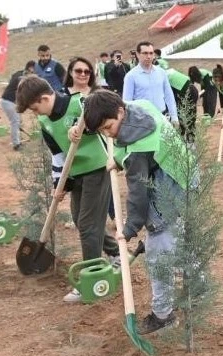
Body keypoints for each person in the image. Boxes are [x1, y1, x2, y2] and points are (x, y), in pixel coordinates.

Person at [82, 89, 186, 334]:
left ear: (120, 111)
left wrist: (128, 229)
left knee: (158, 250)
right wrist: (118, 158)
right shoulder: (137, 106)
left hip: (169, 185)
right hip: (180, 173)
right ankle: (195, 292)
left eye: (108, 127)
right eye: (102, 132)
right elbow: (124, 141)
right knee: (178, 240)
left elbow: (138, 193)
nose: (108, 133)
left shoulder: (139, 147)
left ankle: (164, 316)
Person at [15, 76, 120, 303]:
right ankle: (116, 253)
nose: (36, 113)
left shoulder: (79, 104)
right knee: (81, 220)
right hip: (75, 173)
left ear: (44, 98)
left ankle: (90, 278)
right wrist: (58, 184)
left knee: (88, 226)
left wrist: (82, 129)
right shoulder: (45, 124)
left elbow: (103, 127)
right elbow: (58, 154)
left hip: (98, 167)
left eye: (35, 108)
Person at [123, 41, 179, 127]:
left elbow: (169, 96)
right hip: (143, 121)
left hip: (163, 117)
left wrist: (174, 117)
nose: (148, 56)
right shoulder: (131, 76)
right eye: (145, 53)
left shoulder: (161, 72)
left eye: (151, 53)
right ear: (137, 54)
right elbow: (127, 103)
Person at [0, 61, 36, 150]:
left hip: (9, 101)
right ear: (30, 68)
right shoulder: (22, 77)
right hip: (9, 101)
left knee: (18, 120)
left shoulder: (18, 73)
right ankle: (16, 145)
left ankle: (18, 138)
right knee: (15, 122)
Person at [166, 68, 198, 143]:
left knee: (186, 119)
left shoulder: (163, 77)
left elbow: (169, 98)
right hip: (192, 91)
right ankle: (185, 141)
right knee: (186, 119)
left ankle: (189, 143)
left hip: (188, 93)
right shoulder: (169, 72)